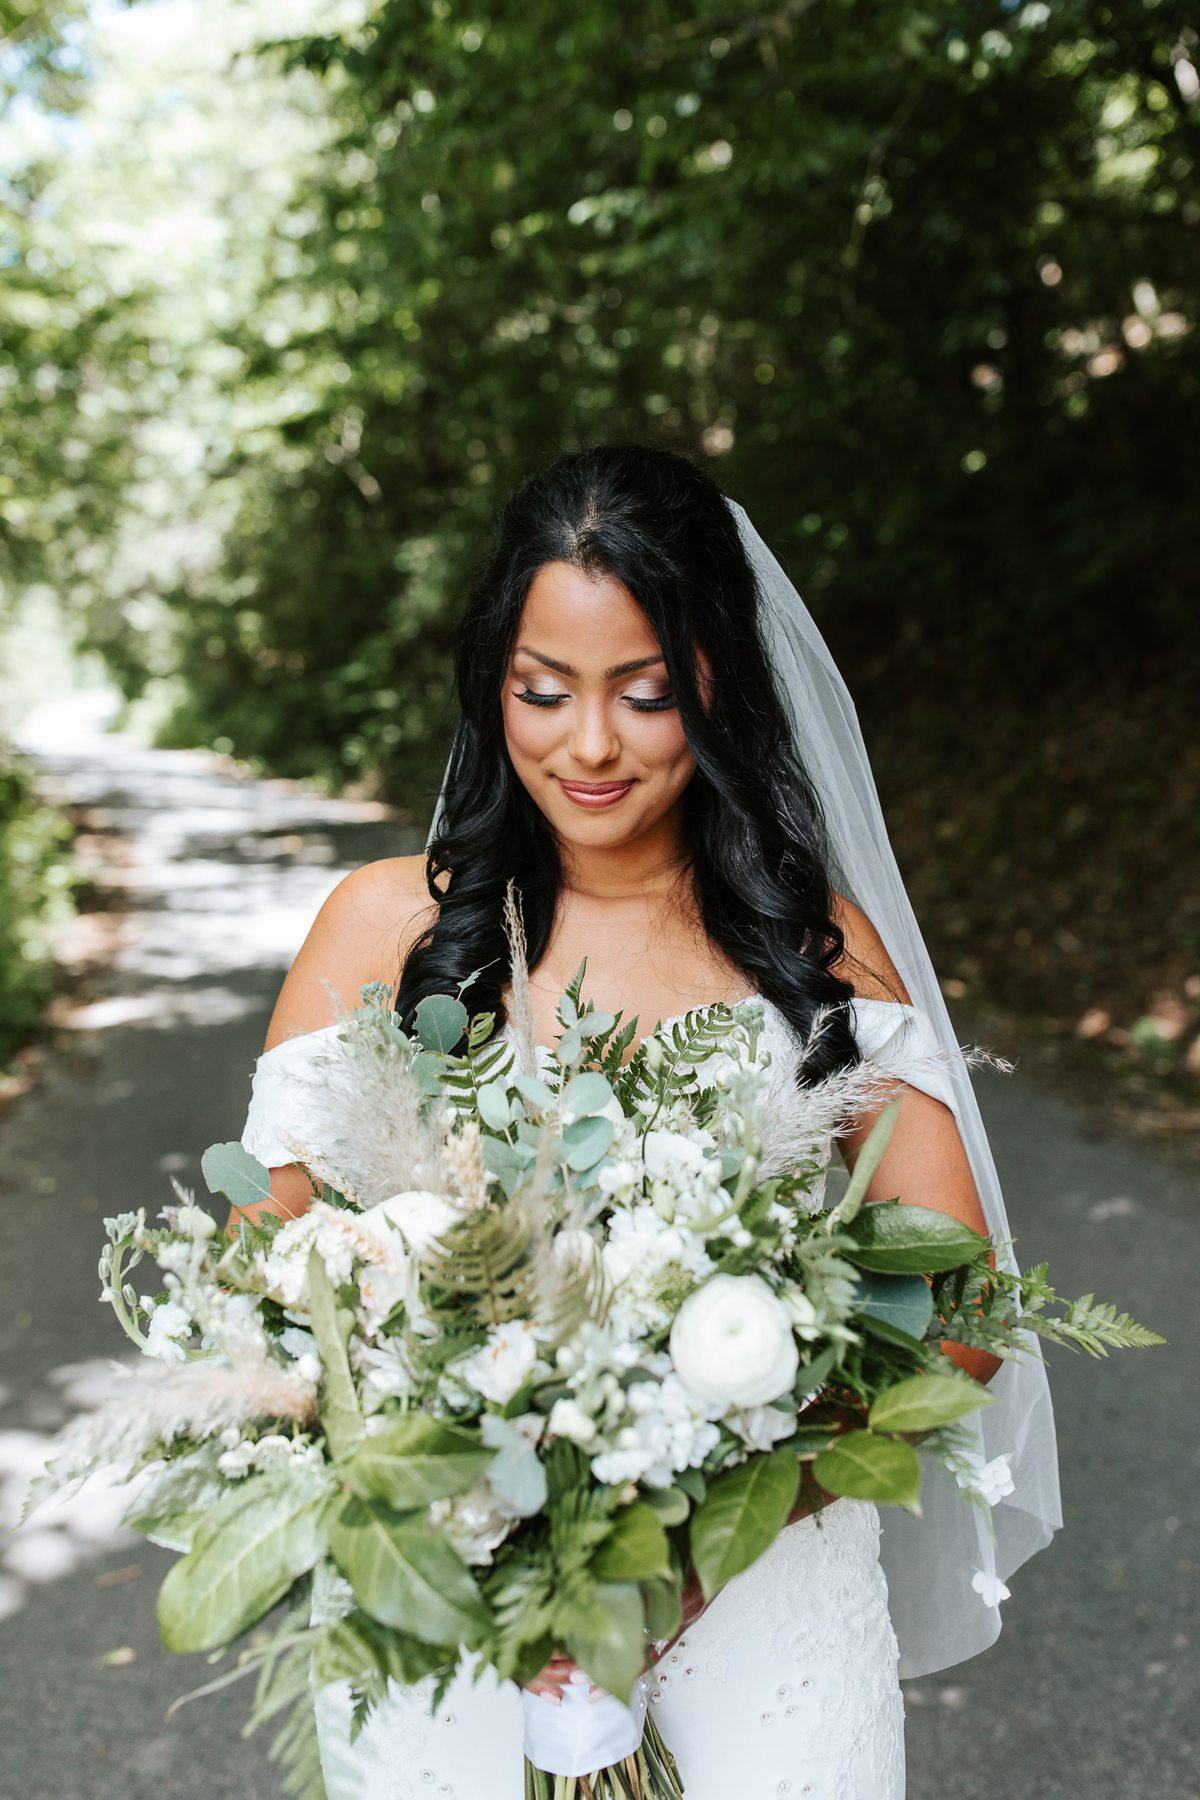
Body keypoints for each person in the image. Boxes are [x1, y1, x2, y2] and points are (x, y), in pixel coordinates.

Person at [240, 445, 1060, 1800]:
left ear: (720, 686)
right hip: (452, 1622)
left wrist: (700, 1547)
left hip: (756, 1608)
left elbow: (961, 1303)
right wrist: (475, 1516)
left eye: (649, 692)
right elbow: (271, 1282)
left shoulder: (812, 949)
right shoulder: (378, 929)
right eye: (544, 692)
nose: (593, 745)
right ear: (493, 683)